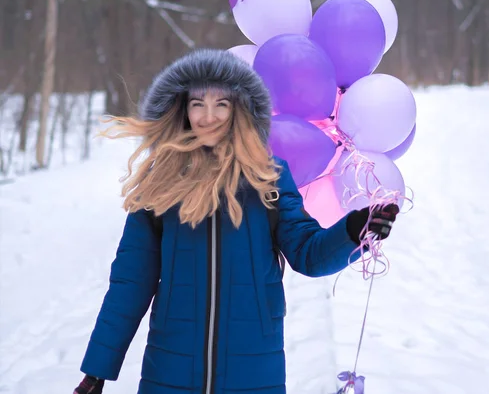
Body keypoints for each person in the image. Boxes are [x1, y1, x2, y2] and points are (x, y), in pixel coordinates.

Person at [73, 49, 399, 394]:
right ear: (182, 109)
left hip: (254, 374)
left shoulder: (268, 179)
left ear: (239, 111)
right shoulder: (160, 184)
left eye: (221, 105)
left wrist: (353, 231)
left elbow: (308, 254)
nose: (208, 116)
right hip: (169, 373)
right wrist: (97, 371)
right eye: (197, 103)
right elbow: (130, 284)